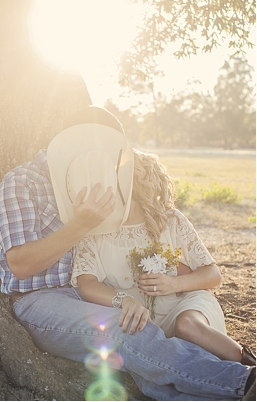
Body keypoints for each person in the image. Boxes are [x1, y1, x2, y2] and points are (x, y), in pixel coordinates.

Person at [0, 105, 255, 400]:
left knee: (147, 369)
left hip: (94, 292)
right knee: (126, 330)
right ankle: (241, 382)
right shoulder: (22, 182)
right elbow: (20, 264)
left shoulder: (103, 175)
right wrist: (80, 225)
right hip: (43, 300)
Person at [72, 150, 255, 364]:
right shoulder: (95, 229)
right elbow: (86, 283)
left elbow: (213, 275)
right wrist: (124, 300)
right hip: (137, 314)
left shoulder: (171, 221)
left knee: (186, 326)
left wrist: (173, 284)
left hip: (183, 304)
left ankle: (250, 368)